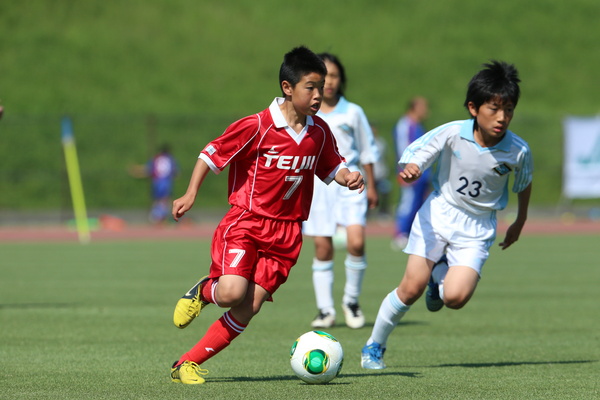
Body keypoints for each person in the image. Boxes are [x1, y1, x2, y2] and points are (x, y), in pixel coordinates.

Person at [169, 46, 364, 384]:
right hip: (247, 221)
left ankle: (185, 363)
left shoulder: (318, 132)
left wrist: (348, 177)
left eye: (322, 87)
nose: (319, 95)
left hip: (287, 233)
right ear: (288, 88)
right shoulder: (257, 126)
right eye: (311, 87)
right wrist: (190, 193)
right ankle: (203, 293)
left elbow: (332, 165)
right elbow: (211, 154)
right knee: (231, 293)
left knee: (249, 306)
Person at [361, 61, 533, 369]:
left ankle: (437, 276)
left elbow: (524, 182)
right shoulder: (454, 132)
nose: (502, 117)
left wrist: (520, 221)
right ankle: (374, 345)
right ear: (473, 108)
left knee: (454, 298)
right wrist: (413, 168)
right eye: (494, 108)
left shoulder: (518, 151)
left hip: (478, 227)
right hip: (440, 213)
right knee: (410, 288)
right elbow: (420, 151)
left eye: (508, 110)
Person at [302, 53, 379, 330]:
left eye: (333, 76)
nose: (329, 82)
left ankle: (351, 301)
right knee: (323, 248)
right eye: (323, 78)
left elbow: (368, 149)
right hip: (320, 187)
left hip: (351, 182)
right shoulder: (308, 112)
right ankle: (325, 310)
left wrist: (371, 185)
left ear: (341, 79)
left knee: (356, 242)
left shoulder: (352, 112)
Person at [391, 97, 430, 250]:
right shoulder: (405, 124)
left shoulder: (418, 125)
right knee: (408, 202)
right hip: (410, 174)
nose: (426, 110)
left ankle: (412, 234)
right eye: (423, 107)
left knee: (418, 204)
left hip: (422, 174)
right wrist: (405, 169)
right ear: (414, 107)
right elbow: (403, 148)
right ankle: (400, 233)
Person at [129, 144, 179, 224]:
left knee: (157, 200)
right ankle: (164, 218)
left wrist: (138, 171)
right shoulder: (170, 159)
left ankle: (157, 217)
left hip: (157, 182)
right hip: (166, 182)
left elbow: (148, 169)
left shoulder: (156, 158)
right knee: (166, 200)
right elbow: (175, 172)